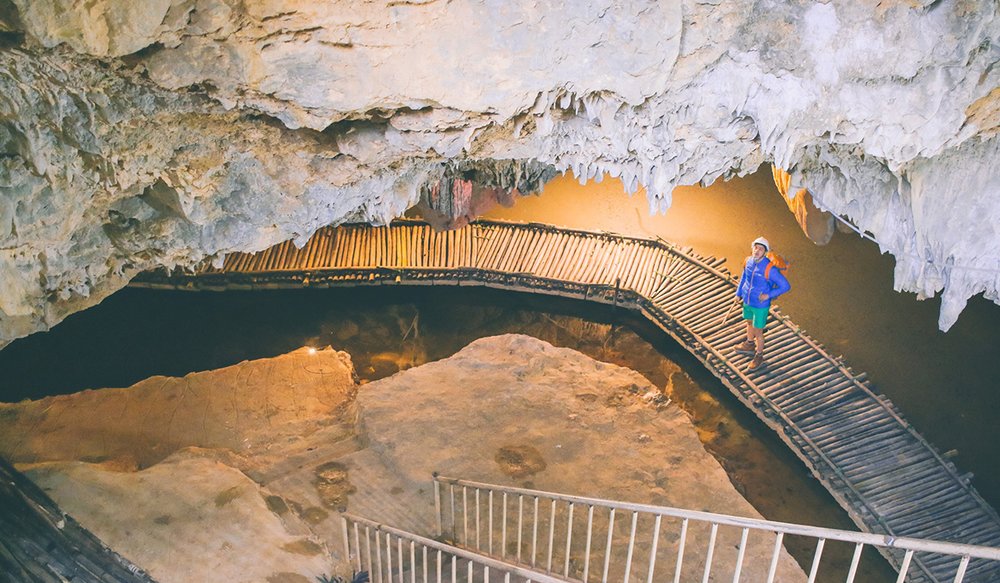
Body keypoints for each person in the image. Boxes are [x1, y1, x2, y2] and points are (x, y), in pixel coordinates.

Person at [734, 236, 790, 371]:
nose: (757, 251)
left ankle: (759, 355)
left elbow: (785, 286)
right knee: (749, 323)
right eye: (756, 247)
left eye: (761, 249)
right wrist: (738, 293)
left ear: (765, 252)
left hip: (760, 305)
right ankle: (749, 344)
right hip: (748, 300)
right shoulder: (748, 261)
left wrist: (768, 295)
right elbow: (744, 278)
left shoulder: (770, 269)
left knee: (758, 331)